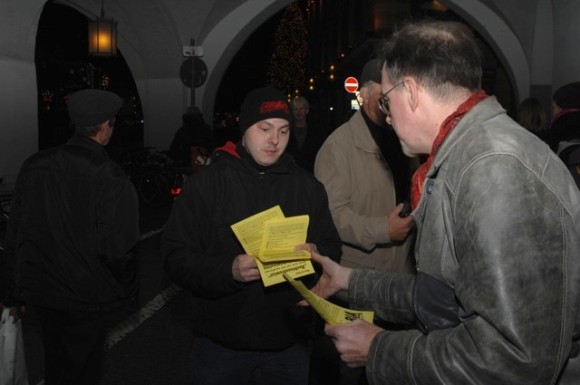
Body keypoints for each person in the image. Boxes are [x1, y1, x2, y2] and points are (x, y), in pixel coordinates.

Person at [302, 20, 580, 384]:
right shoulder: (467, 155)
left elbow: (512, 361)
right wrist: (351, 281)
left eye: (387, 100)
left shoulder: (494, 171)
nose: (386, 115)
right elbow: (448, 298)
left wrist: (379, 349)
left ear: (412, 92)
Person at [162, 86, 342, 385]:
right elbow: (175, 257)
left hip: (289, 343)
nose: (275, 140)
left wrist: (316, 255)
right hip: (221, 343)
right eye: (265, 128)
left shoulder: (308, 187)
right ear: (244, 129)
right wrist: (228, 270)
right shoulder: (206, 185)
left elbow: (331, 247)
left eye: (284, 131)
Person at [0, 89, 140, 385]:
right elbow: (119, 248)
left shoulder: (34, 165)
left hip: (43, 292)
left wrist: (13, 291)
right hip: (86, 297)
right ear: (105, 125)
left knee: (56, 365)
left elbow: (16, 232)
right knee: (83, 370)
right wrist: (127, 293)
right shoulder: (109, 175)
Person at [315, 58, 416, 275]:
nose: (395, 100)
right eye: (386, 93)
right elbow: (332, 214)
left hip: (402, 275)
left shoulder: (406, 138)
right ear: (364, 95)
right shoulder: (337, 147)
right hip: (358, 278)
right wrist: (383, 230)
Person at [286, 96, 326, 173]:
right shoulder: (286, 130)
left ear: (306, 111)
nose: (299, 112)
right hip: (290, 173)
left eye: (301, 109)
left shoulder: (316, 131)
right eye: (295, 109)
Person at [169, 106, 214, 170]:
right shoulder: (206, 130)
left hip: (186, 164)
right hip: (202, 164)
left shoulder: (182, 131)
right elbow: (212, 146)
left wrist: (178, 158)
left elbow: (174, 148)